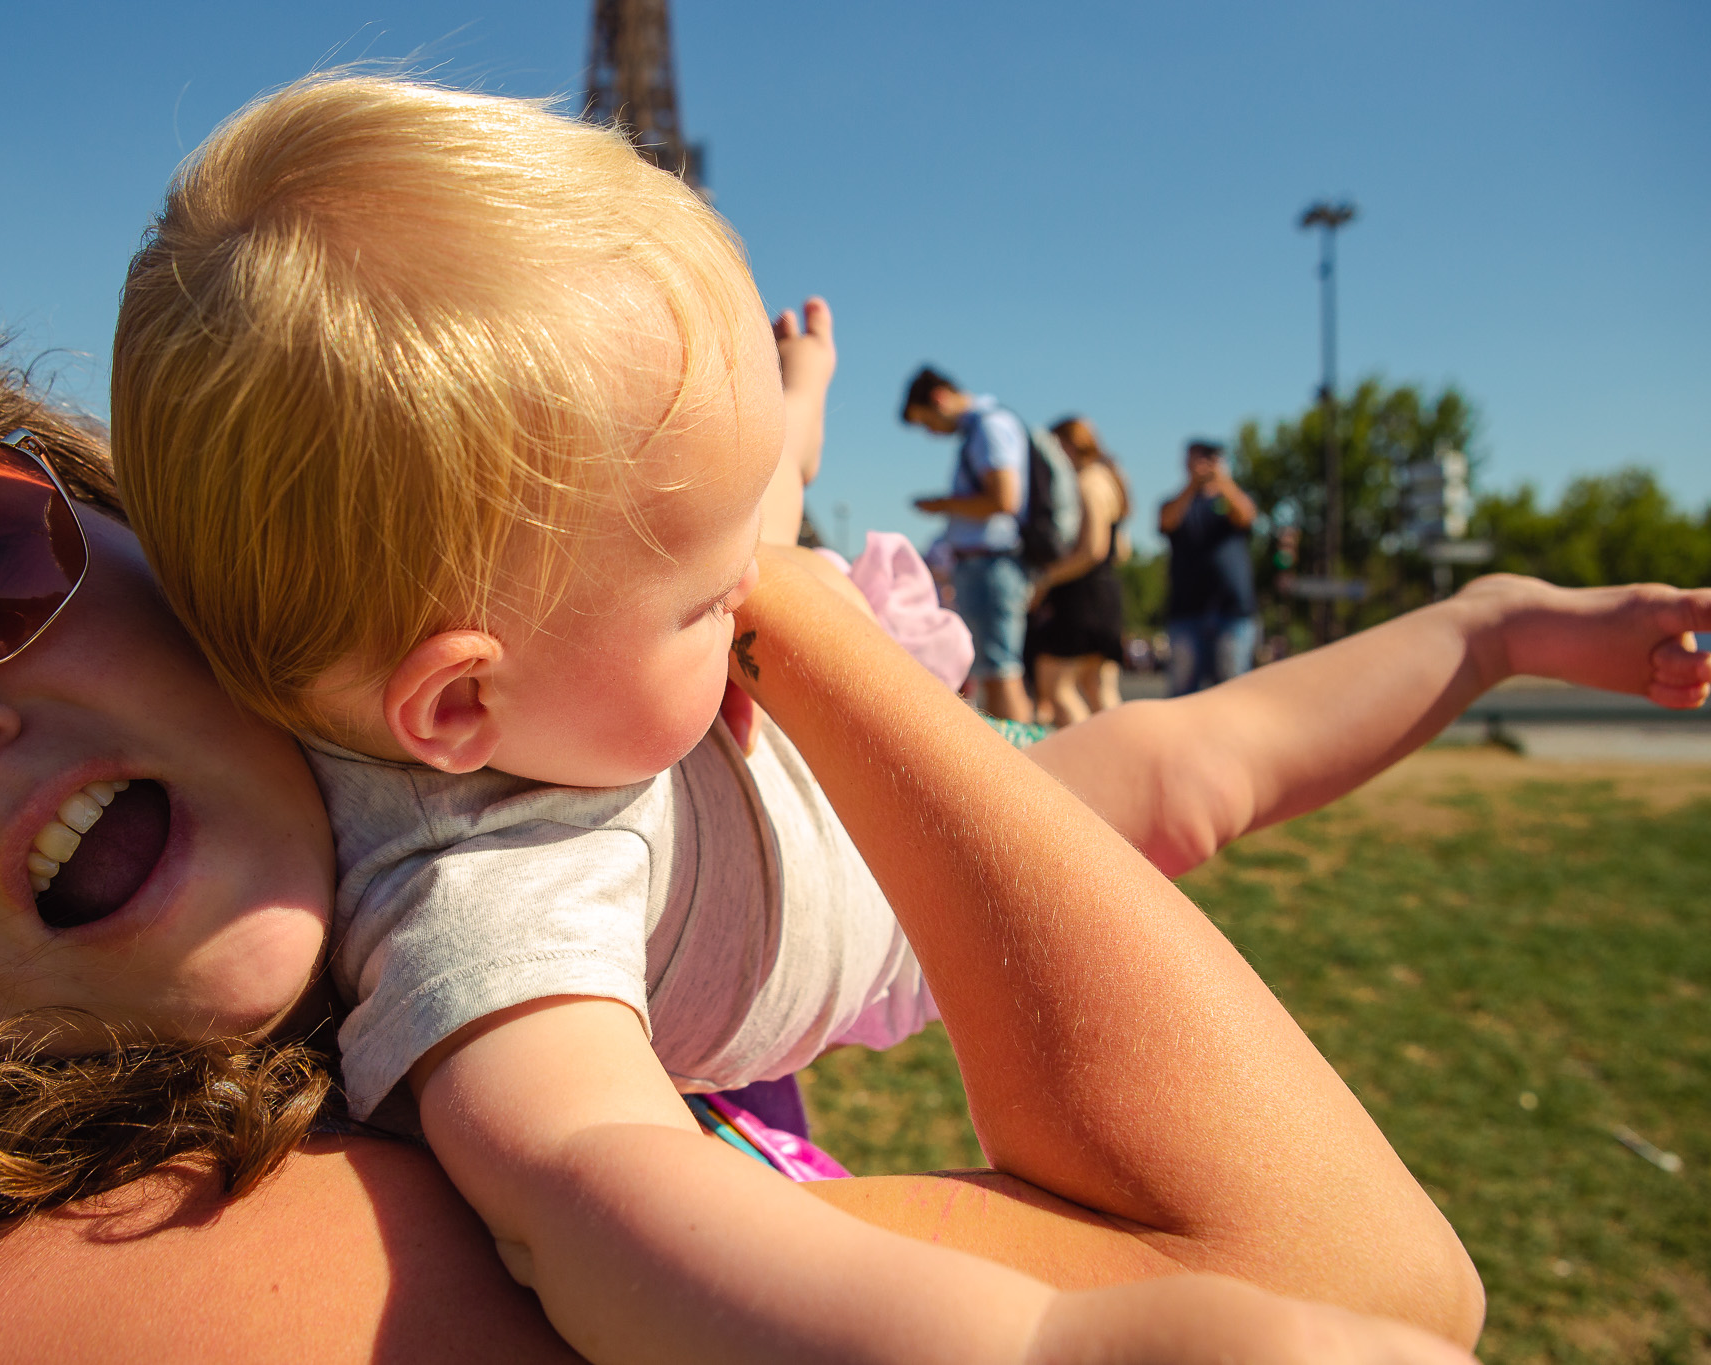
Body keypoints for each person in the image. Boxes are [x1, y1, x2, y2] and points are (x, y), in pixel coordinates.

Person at [0, 342, 1711, 1361]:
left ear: (147, 515)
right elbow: (1348, 1286)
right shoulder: (115, 1298)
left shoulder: (462, 923)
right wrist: (771, 587)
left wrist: (728, 551)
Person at [109, 76, 1464, 1361]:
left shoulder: (556, 622)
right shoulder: (480, 905)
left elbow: (733, 513)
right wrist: (1037, 1340)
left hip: (865, 802)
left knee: (1194, 760)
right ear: (463, 700)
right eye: (707, 604)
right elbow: (606, 1197)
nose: (764, 578)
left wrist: (794, 407)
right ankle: (1485, 636)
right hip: (907, 910)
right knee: (1187, 773)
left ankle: (1491, 632)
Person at [903, 368, 1034, 723]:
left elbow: (1005, 498)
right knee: (995, 672)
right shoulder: (984, 428)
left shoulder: (988, 427)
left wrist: (944, 504)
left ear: (940, 398)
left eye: (927, 422)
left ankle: (1020, 771)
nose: (932, 433)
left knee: (1001, 673)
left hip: (990, 563)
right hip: (984, 564)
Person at [1030, 415, 1131, 725]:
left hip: (1081, 598)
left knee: (1056, 689)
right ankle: (1123, 761)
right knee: (1100, 689)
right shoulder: (1109, 481)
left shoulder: (1087, 482)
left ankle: (1086, 767)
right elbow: (1120, 551)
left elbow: (1092, 549)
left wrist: (1045, 579)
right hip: (1106, 594)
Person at [1161, 438, 1260, 694]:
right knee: (1183, 691)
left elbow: (1247, 515)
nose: (1202, 464)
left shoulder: (1231, 500)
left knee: (1234, 688)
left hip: (1233, 609)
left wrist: (1222, 480)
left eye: (1209, 457)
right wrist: (1192, 485)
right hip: (1187, 610)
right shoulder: (1179, 503)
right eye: (1197, 457)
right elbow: (1167, 522)